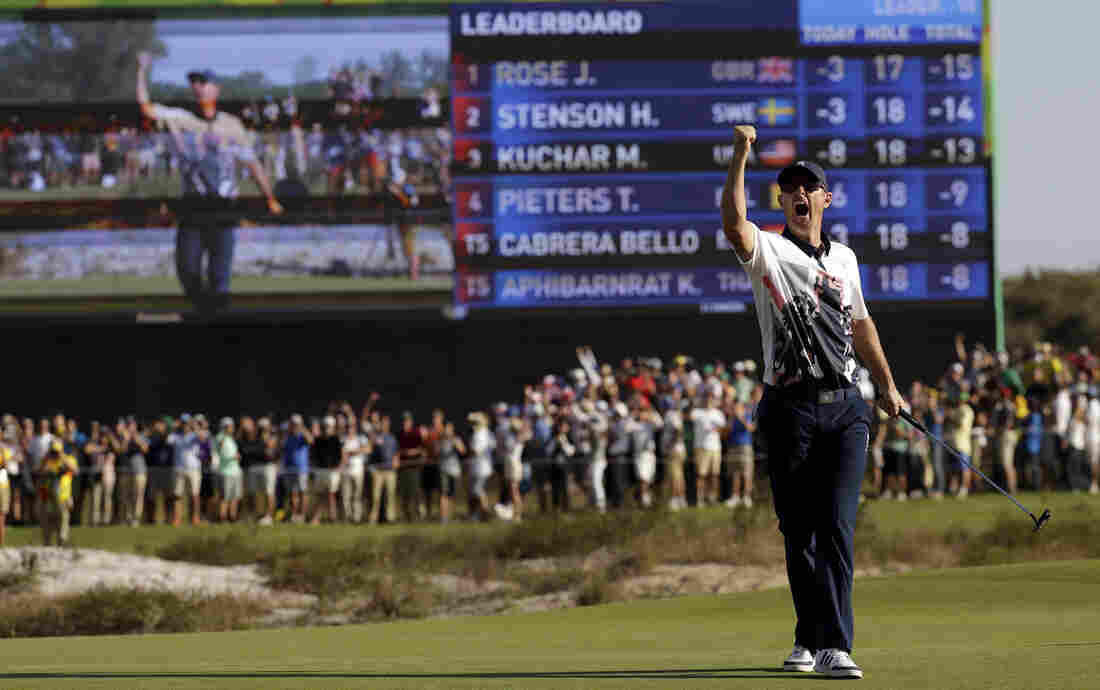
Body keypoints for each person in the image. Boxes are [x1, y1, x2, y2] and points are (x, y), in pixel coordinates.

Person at [721, 125, 905, 680]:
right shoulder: (769, 252)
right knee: (798, 530)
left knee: (837, 526)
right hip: (789, 408)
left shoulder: (846, 259)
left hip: (848, 407)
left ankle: (833, 643)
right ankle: (809, 634)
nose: (800, 194)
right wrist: (740, 155)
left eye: (809, 188)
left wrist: (889, 385)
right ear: (782, 201)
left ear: (826, 198)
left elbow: (863, 325)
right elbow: (733, 224)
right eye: (790, 189)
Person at [136, 52, 283, 315]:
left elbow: (252, 163)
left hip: (224, 208)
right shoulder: (180, 118)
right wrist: (141, 71)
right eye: (195, 82)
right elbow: (146, 108)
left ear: (217, 89)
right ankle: (205, 311)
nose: (199, 87)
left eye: (204, 82)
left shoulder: (231, 126)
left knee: (219, 277)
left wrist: (270, 198)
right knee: (187, 270)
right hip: (193, 208)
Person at [38, 440, 78, 545]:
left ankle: (62, 540)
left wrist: (62, 456)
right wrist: (47, 458)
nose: (55, 454)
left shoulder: (68, 459)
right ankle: (47, 542)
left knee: (63, 518)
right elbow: (40, 470)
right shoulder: (48, 461)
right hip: (49, 495)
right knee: (48, 520)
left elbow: (74, 470)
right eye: (53, 451)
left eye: (56, 451)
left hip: (64, 495)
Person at [282, 414, 313, 524]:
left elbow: (311, 440)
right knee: (292, 494)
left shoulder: (302, 436)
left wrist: (302, 428)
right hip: (289, 468)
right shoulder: (287, 436)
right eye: (293, 424)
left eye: (296, 424)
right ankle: (294, 515)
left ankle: (302, 515)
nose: (294, 426)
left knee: (302, 493)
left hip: (301, 469)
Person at [368, 415, 399, 525]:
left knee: (390, 495)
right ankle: (373, 518)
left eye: (387, 423)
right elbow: (370, 449)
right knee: (376, 496)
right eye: (383, 423)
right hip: (378, 470)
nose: (385, 425)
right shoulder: (376, 437)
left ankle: (390, 517)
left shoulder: (392, 438)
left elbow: (396, 452)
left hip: (390, 471)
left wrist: (396, 460)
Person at [214, 418, 243, 522]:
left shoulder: (231, 439)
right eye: (230, 426)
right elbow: (220, 449)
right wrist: (233, 457)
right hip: (225, 472)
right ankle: (222, 517)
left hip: (236, 471)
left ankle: (232, 517)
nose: (232, 428)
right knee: (225, 497)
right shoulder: (220, 438)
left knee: (234, 497)